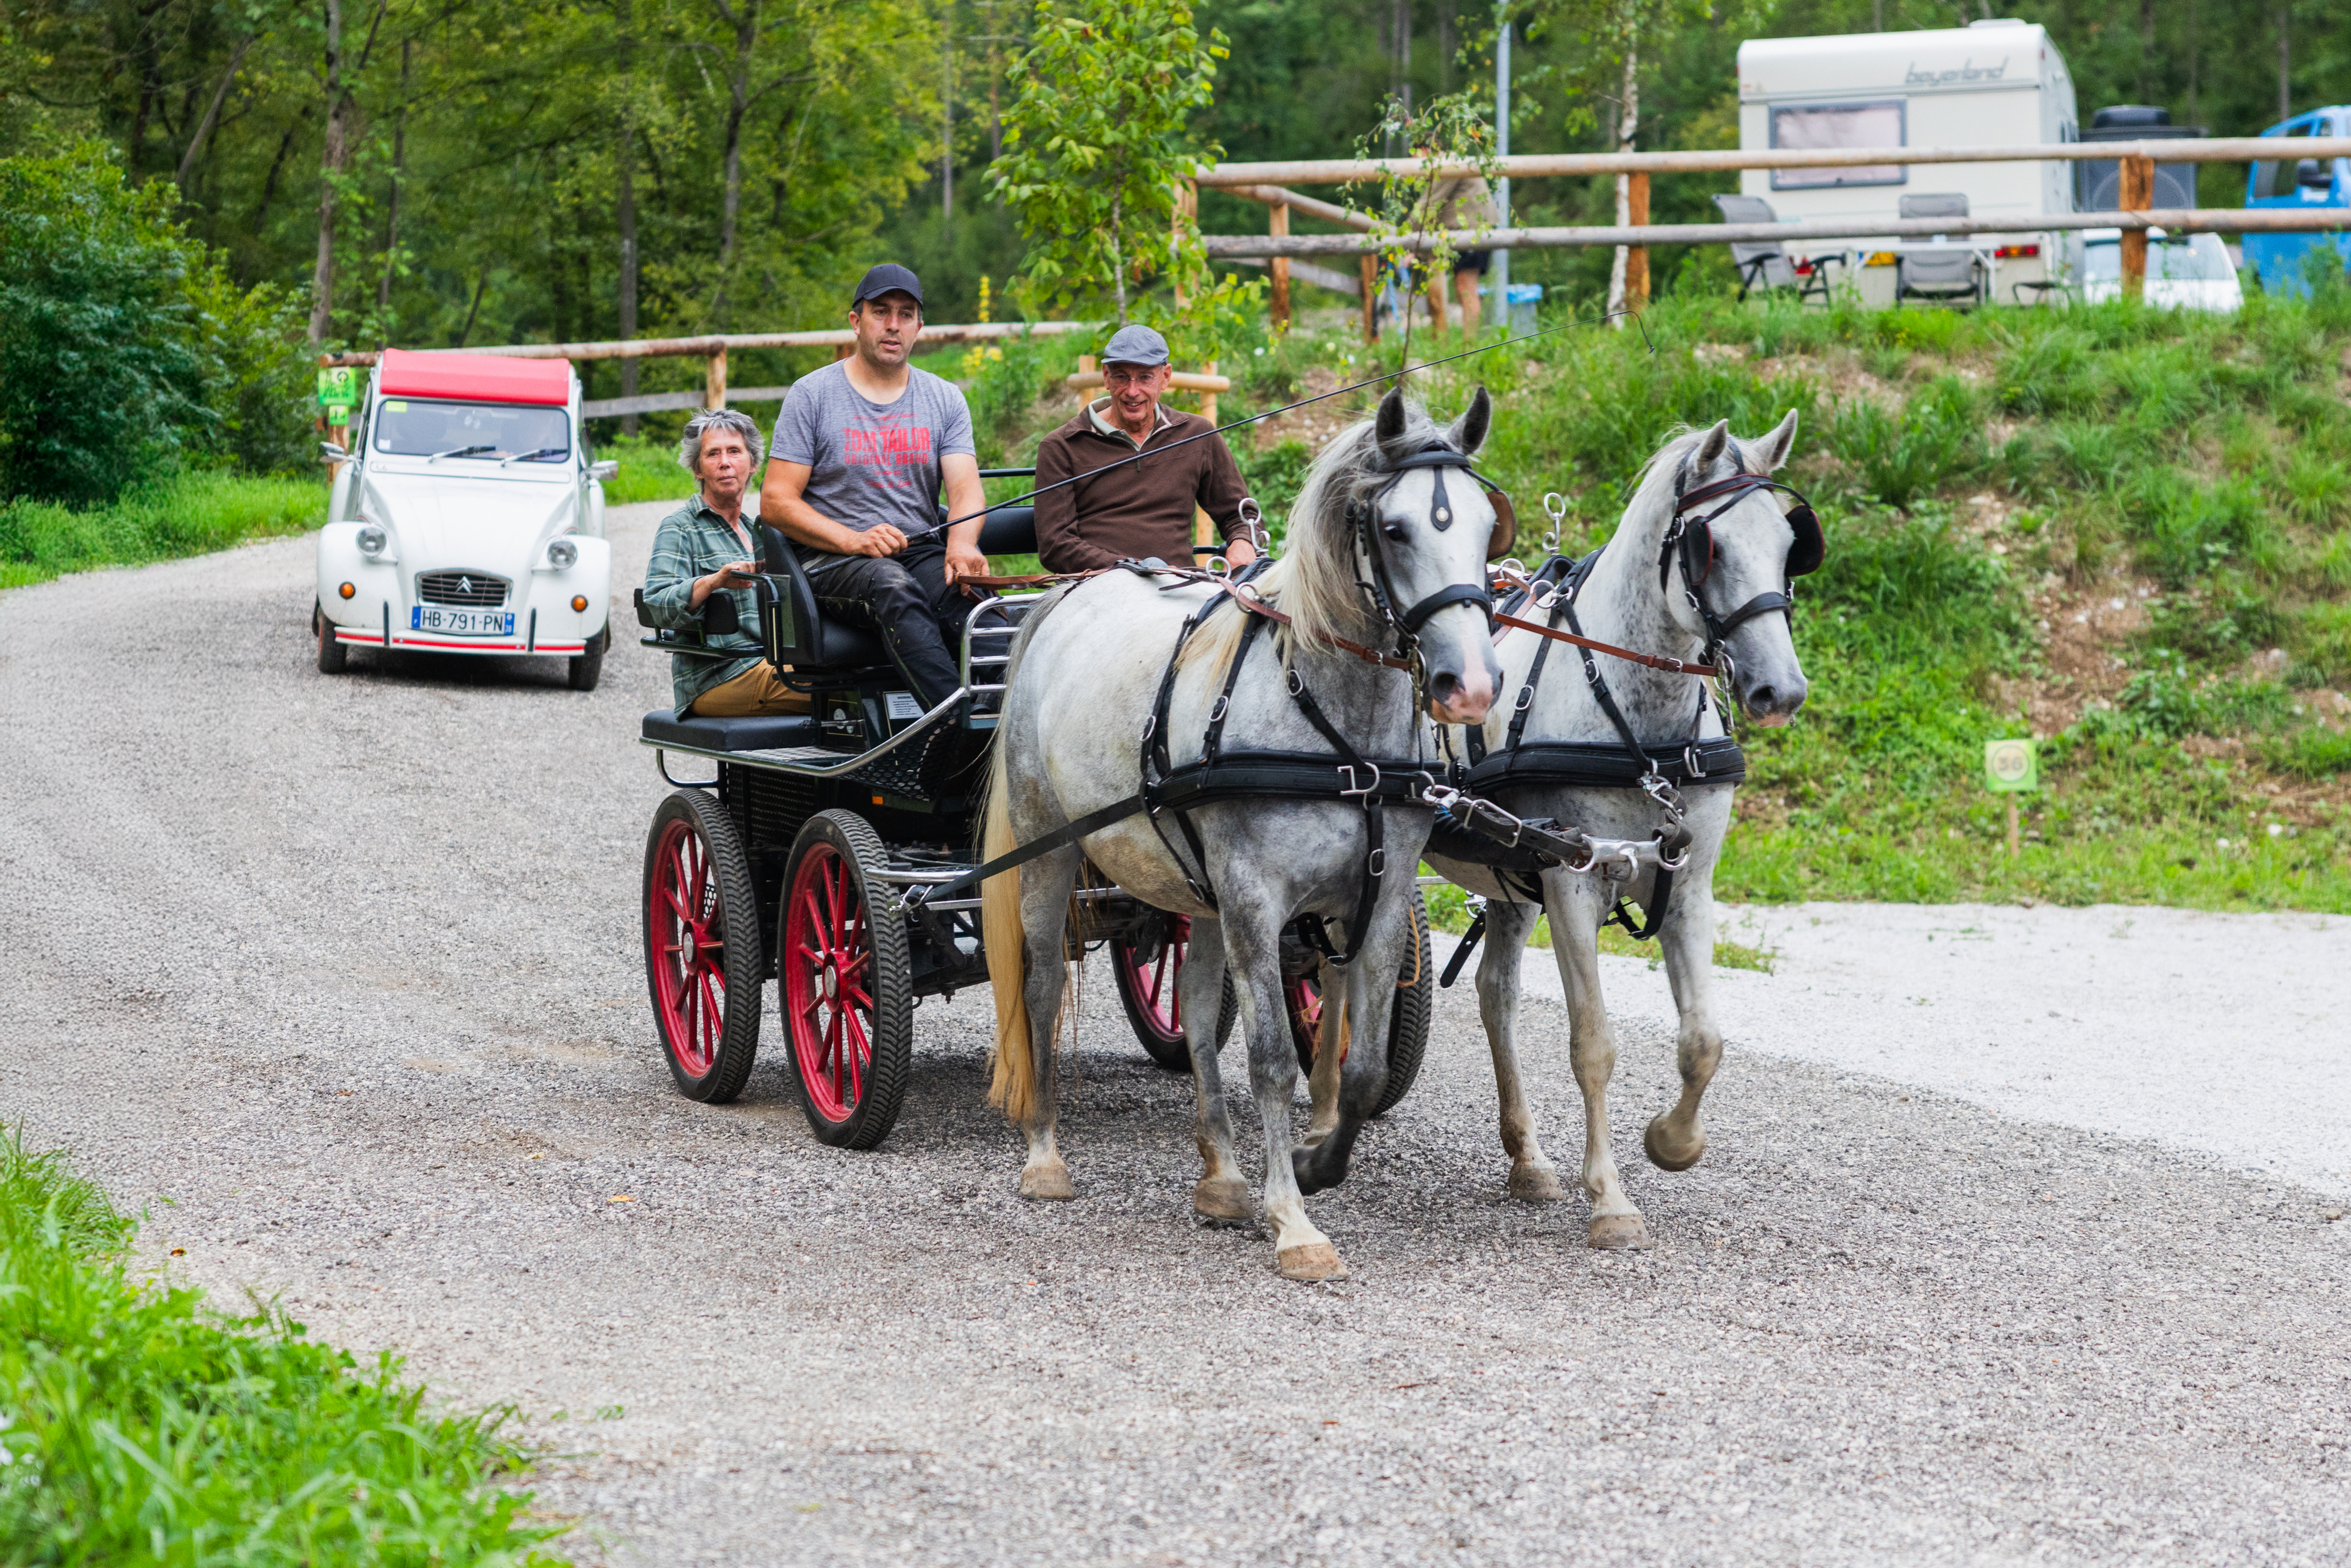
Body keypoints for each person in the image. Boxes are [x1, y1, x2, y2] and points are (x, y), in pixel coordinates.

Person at [759, 263, 989, 712]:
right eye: (880, 311)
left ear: (919, 326)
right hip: (831, 558)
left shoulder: (945, 398)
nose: (893, 325)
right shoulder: (812, 395)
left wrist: (962, 545)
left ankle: (1009, 725)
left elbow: (966, 490)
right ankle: (957, 727)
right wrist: (854, 540)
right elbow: (775, 502)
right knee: (892, 587)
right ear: (856, 320)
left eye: (906, 314)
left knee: (978, 607)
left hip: (916, 548)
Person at [1032, 323, 1261, 577]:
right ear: (1106, 376)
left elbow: (1242, 513)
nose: (1132, 391)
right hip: (1096, 589)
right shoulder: (1061, 446)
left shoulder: (1197, 434)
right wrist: (1137, 569)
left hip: (1181, 588)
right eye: (1121, 376)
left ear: (1166, 377)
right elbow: (1056, 546)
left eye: (1145, 377)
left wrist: (1243, 542)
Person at [642, 408, 808, 718]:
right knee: (836, 691)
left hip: (770, 663)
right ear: (697, 468)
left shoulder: (761, 532)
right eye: (712, 454)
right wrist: (714, 582)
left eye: (735, 451)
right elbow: (656, 604)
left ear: (753, 463)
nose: (725, 463)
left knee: (859, 674)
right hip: (718, 677)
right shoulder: (681, 527)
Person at [1421, 169, 1501, 334]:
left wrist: (1408, 239)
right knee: (1462, 289)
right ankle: (1468, 347)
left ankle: (1470, 351)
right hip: (1469, 229)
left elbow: (1430, 203)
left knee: (1466, 288)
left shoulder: (1449, 166)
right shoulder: (1452, 163)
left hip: (1473, 230)